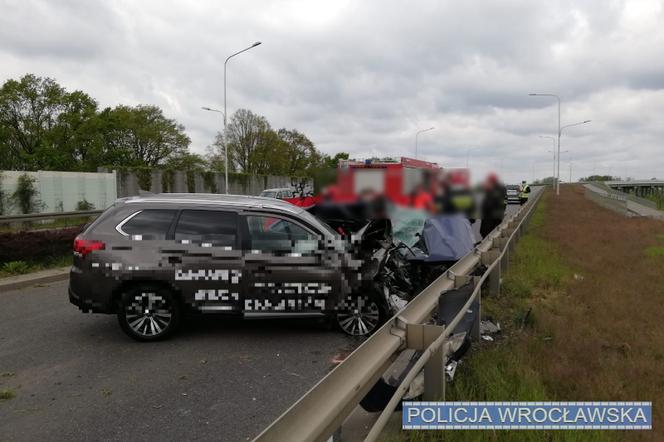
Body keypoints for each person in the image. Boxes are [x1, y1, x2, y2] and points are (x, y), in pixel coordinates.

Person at [480, 173, 507, 238]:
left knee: (486, 232)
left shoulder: (493, 191)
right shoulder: (502, 190)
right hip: (498, 215)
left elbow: (488, 204)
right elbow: (504, 202)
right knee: (494, 232)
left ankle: (488, 245)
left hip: (490, 216)